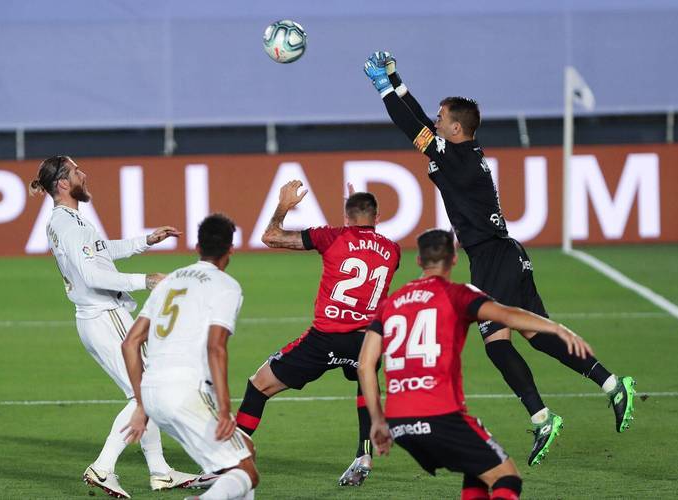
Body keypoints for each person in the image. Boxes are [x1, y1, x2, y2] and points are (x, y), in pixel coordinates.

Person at [363, 52, 636, 466]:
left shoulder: (457, 157)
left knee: (496, 343)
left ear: (456, 127)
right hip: (505, 254)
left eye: (442, 117)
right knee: (537, 335)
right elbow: (421, 125)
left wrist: (383, 89)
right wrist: (397, 81)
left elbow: (412, 128)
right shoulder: (462, 153)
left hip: (493, 256)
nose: (436, 121)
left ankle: (542, 417)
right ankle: (613, 384)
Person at [358, 229, 596, 499]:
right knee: (507, 477)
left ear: (419, 260)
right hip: (441, 416)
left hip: (399, 423)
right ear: (454, 258)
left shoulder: (390, 304)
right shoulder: (457, 294)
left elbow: (365, 365)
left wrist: (377, 420)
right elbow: (508, 315)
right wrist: (557, 328)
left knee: (477, 470)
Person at [29, 156, 198, 498]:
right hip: (105, 315)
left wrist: (145, 241)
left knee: (144, 393)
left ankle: (161, 471)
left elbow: (100, 252)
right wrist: (146, 280)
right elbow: (93, 275)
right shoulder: (68, 224)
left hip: (98, 317)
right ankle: (103, 468)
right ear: (63, 183)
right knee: (147, 393)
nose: (84, 174)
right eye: (76, 171)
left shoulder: (66, 220)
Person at [234, 180, 401, 486]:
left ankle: (230, 457)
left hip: (325, 339)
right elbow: (366, 247)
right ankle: (364, 454)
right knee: (365, 381)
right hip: (367, 340)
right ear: (377, 218)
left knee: (259, 385)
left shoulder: (332, 237)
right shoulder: (393, 250)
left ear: (346, 217)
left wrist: (283, 206)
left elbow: (271, 236)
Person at [121, 213, 259, 500]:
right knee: (247, 472)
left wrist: (142, 405)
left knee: (244, 451)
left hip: (154, 395)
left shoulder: (169, 282)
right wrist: (225, 409)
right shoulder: (226, 286)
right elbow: (216, 347)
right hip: (187, 392)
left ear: (197, 247)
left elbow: (130, 343)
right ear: (231, 249)